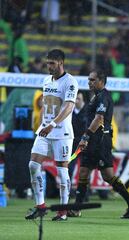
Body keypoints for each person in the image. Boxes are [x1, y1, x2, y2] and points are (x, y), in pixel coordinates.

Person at [68, 69, 129, 219]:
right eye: (89, 79)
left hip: (100, 141)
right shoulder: (96, 97)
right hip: (94, 141)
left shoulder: (103, 97)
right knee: (84, 172)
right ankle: (76, 208)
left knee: (107, 176)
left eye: (92, 80)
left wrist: (86, 136)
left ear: (101, 81)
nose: (89, 82)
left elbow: (99, 119)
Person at [25, 49, 79, 221]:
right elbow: (45, 105)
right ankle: (40, 206)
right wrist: (40, 125)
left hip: (62, 132)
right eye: (47, 63)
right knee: (33, 165)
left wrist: (53, 124)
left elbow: (69, 107)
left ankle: (63, 210)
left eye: (52, 63)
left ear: (61, 63)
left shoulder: (70, 82)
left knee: (62, 172)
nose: (48, 66)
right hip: (44, 131)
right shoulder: (46, 80)